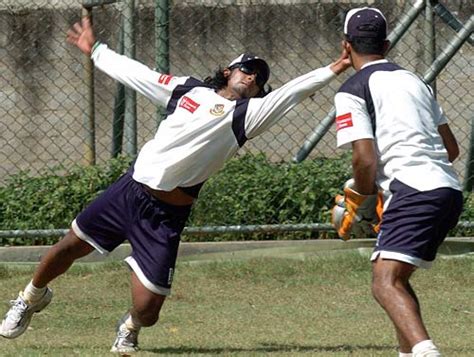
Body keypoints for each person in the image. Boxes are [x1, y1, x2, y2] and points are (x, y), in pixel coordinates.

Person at [0, 16, 351, 353]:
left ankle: (130, 328)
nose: (252, 78)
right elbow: (140, 75)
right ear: (228, 72)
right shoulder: (188, 90)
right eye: (247, 69)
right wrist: (96, 50)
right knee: (65, 249)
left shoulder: (248, 116)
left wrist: (335, 68)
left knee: (149, 310)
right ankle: (31, 297)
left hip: (165, 215)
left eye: (259, 78)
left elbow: (292, 92)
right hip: (129, 192)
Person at [332, 7, 463, 357]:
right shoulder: (415, 81)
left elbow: (364, 158)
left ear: (346, 47)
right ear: (387, 45)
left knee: (384, 282)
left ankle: (426, 352)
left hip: (413, 191)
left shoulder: (352, 88)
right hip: (448, 190)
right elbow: (451, 148)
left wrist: (361, 198)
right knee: (396, 278)